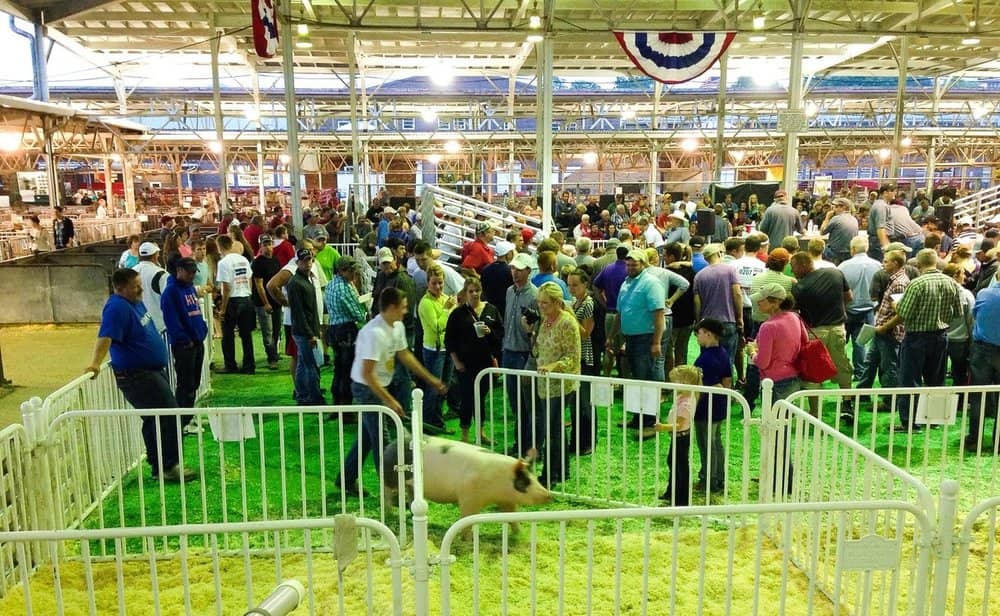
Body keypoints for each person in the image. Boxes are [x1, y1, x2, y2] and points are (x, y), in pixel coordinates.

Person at [86, 269, 194, 482]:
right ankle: (168, 466)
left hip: (150, 371)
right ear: (120, 288)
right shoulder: (116, 307)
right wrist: (95, 364)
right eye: (135, 285)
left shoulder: (134, 302)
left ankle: (159, 465)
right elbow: (105, 336)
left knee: (155, 419)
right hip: (137, 374)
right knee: (168, 415)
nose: (141, 288)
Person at [337, 287, 447, 495]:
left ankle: (346, 479)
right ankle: (393, 490)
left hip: (378, 386)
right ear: (392, 307)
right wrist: (389, 401)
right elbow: (368, 375)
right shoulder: (373, 333)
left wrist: (431, 379)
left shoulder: (396, 326)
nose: (406, 311)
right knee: (383, 441)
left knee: (368, 438)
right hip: (365, 388)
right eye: (403, 307)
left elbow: (405, 356)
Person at [893, 248, 963, 427]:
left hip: (916, 337)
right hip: (940, 336)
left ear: (918, 263)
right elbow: (958, 312)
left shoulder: (916, 284)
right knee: (936, 380)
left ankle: (909, 422)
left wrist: (895, 304)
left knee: (910, 380)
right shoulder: (951, 282)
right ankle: (935, 419)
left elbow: (904, 312)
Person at [746, 282, 803, 495]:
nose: (759, 302)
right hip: (792, 379)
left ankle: (783, 480)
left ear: (775, 302)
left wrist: (752, 352)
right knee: (781, 431)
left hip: (775, 382)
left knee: (777, 433)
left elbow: (762, 361)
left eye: (763, 299)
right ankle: (778, 475)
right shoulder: (794, 318)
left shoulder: (769, 326)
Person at [790, 251, 854, 420]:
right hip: (838, 328)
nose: (792, 270)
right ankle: (847, 404)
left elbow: (795, 311)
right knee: (842, 366)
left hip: (815, 332)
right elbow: (849, 297)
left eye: (793, 267)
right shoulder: (835, 273)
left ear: (803, 265)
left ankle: (815, 412)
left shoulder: (799, 287)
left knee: (814, 372)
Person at [531, 281, 581, 487]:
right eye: (540, 303)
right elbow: (538, 350)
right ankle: (560, 471)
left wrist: (554, 366)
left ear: (557, 302)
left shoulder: (567, 323)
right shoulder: (545, 321)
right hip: (545, 383)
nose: (541, 307)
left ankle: (551, 474)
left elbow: (573, 356)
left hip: (561, 383)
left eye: (545, 303)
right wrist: (531, 334)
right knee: (555, 428)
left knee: (553, 429)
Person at [610, 248, 665, 430]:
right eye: (628, 264)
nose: (630, 266)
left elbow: (659, 314)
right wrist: (612, 336)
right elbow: (620, 312)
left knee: (645, 379)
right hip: (631, 338)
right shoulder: (626, 282)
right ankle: (637, 418)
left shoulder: (651, 283)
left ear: (644, 264)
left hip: (646, 338)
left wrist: (656, 342)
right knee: (635, 379)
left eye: (634, 263)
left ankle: (649, 420)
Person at [445, 277, 503, 443]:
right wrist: (456, 362)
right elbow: (449, 340)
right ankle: (464, 435)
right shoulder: (458, 313)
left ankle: (481, 433)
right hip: (466, 365)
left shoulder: (491, 310)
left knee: (481, 398)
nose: (474, 294)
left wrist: (489, 332)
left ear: (481, 291)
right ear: (465, 293)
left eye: (477, 291)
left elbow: (499, 336)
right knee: (467, 399)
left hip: (485, 363)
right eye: (471, 291)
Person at [160, 257, 207, 414]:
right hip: (185, 346)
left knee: (193, 383)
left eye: (194, 272)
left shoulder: (189, 288)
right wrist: (185, 340)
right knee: (185, 386)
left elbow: (196, 312)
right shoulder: (170, 292)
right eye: (189, 272)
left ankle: (188, 416)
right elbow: (171, 320)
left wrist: (202, 331)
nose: (192, 275)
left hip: (197, 341)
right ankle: (182, 418)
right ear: (179, 270)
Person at [691, 318, 731, 494]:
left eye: (699, 333)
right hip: (718, 405)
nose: (697, 337)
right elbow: (727, 380)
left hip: (705, 408)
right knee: (715, 443)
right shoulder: (723, 353)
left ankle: (709, 479)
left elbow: (698, 386)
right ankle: (718, 477)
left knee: (707, 444)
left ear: (708, 333)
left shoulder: (705, 359)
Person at [417, 264, 457, 435]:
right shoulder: (425, 303)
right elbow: (437, 327)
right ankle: (428, 422)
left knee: (444, 387)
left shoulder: (445, 299)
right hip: (433, 351)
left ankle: (436, 422)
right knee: (434, 388)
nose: (438, 287)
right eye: (434, 283)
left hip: (447, 349)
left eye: (440, 283)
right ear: (428, 283)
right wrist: (447, 310)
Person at [655, 365, 700, 505]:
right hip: (678, 436)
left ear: (685, 383)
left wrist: (663, 427)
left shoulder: (686, 403)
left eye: (674, 381)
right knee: (673, 463)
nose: (672, 384)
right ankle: (672, 492)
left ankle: (681, 498)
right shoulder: (682, 397)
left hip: (681, 436)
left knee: (680, 466)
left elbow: (679, 425)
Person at [325, 255, 366, 405]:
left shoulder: (330, 284)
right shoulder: (345, 288)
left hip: (334, 329)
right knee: (348, 369)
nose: (354, 274)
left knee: (338, 367)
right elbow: (358, 313)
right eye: (351, 271)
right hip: (346, 330)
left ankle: (337, 402)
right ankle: (346, 405)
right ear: (342, 271)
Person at [838, 236, 881, 381]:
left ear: (853, 249)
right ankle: (860, 373)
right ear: (867, 248)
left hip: (847, 309)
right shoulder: (877, 265)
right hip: (869, 309)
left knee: (840, 343)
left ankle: (840, 372)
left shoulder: (844, 266)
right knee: (860, 343)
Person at [692, 244, 742, 367]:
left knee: (707, 359)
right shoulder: (730, 270)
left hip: (707, 323)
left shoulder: (699, 276)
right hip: (727, 320)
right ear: (719, 254)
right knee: (727, 359)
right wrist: (739, 317)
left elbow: (697, 302)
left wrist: (698, 321)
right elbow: (737, 293)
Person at [287, 248, 325, 405]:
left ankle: (302, 395)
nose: (307, 263)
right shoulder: (295, 283)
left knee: (303, 364)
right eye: (304, 260)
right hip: (304, 331)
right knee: (311, 366)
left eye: (309, 260)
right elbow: (299, 313)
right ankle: (315, 398)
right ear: (297, 263)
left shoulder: (305, 280)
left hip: (305, 330)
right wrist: (311, 334)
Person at [566, 269, 597, 456]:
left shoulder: (588, 304)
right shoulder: (575, 303)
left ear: (585, 284)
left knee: (585, 403)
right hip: (575, 358)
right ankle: (576, 441)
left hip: (586, 358)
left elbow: (586, 333)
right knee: (574, 403)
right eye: (569, 284)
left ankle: (587, 442)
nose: (571, 288)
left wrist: (569, 316)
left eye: (575, 285)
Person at [215, 235, 256, 374]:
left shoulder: (223, 263)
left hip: (232, 300)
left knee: (227, 335)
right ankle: (249, 366)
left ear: (219, 246)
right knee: (246, 335)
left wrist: (223, 308)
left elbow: (226, 287)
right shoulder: (243, 259)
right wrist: (248, 293)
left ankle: (230, 365)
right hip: (246, 297)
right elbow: (249, 278)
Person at [251, 234, 282, 370]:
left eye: (270, 244)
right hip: (263, 302)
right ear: (261, 247)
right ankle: (271, 357)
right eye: (265, 244)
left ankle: (274, 353)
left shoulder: (276, 260)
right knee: (268, 332)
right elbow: (259, 285)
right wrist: (266, 303)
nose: (268, 247)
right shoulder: (258, 262)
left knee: (276, 330)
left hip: (276, 301)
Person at [943, 263, 975, 387]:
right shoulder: (966, 294)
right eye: (962, 274)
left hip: (941, 337)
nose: (964, 277)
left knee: (937, 372)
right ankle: (960, 400)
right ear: (956, 275)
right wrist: (972, 342)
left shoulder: (939, 291)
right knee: (959, 373)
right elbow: (971, 320)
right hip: (960, 340)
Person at [133, 242, 168, 332]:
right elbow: (169, 299)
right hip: (159, 326)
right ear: (155, 256)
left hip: (137, 325)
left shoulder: (130, 272)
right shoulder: (161, 274)